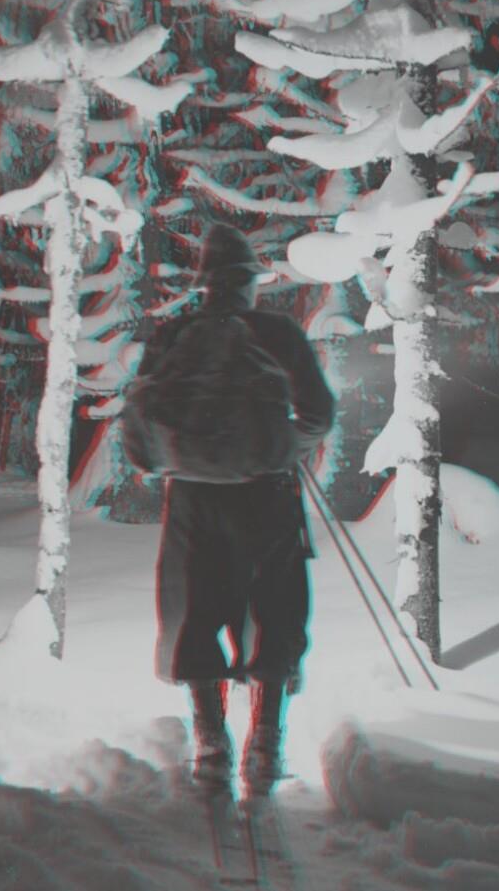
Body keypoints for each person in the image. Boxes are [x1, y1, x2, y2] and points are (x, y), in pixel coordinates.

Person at [134, 223, 335, 799]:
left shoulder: (172, 335)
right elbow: (318, 415)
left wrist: (168, 463)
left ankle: (211, 745)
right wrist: (285, 450)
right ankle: (265, 744)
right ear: (247, 283)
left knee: (197, 612)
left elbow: (140, 418)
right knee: (275, 608)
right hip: (265, 492)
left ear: (205, 284)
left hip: (192, 496)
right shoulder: (276, 334)